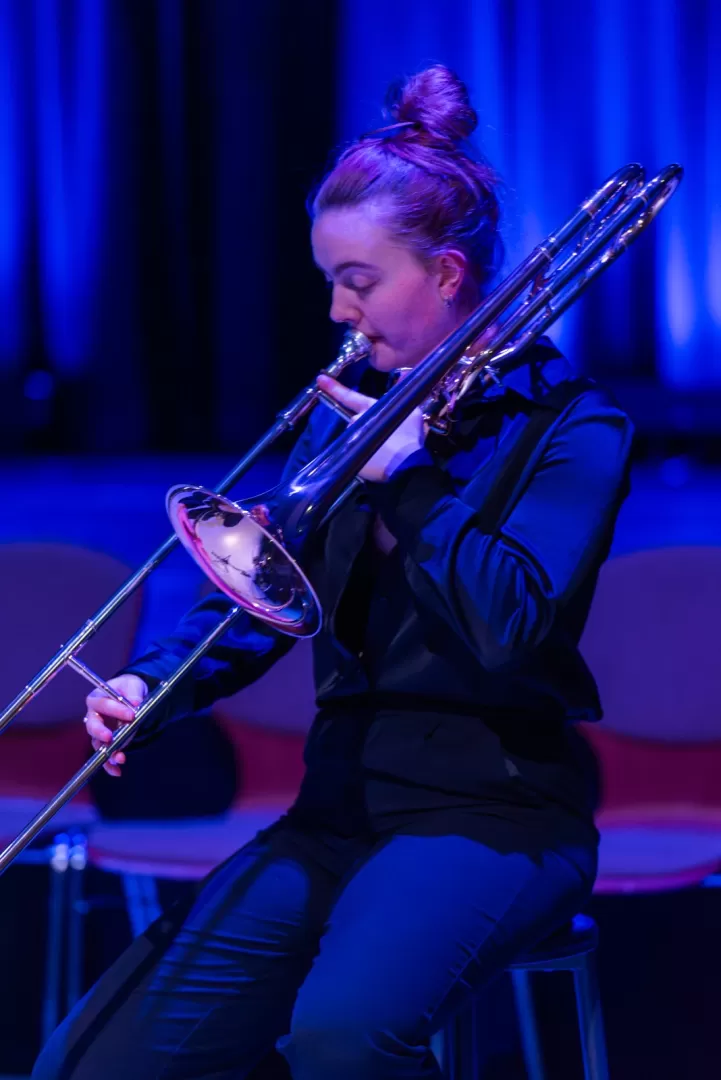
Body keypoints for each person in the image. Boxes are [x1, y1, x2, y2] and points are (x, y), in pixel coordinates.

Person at [33, 64, 633, 1080]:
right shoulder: (339, 418)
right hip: (341, 806)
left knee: (344, 1040)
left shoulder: (572, 426)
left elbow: (508, 627)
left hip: (498, 816)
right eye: (329, 281)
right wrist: (154, 687)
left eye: (358, 281)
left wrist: (411, 481)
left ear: (444, 275)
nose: (336, 311)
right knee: (93, 1065)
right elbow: (265, 594)